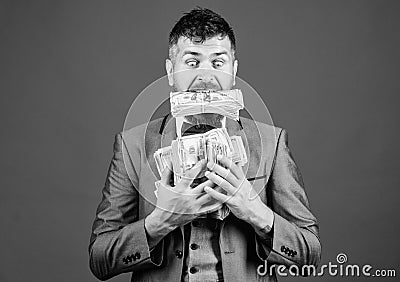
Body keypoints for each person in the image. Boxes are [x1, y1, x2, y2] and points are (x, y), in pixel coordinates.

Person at [89, 7, 321, 282]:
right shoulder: (133, 145)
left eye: (218, 63)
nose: (206, 76)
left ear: (234, 72)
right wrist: (160, 222)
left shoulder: (271, 142)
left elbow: (310, 254)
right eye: (192, 62)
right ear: (170, 71)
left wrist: (256, 212)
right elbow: (99, 260)